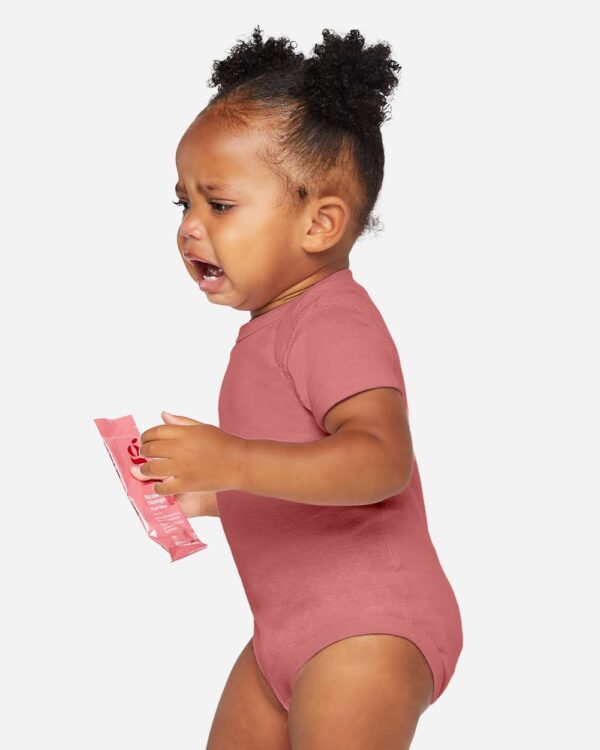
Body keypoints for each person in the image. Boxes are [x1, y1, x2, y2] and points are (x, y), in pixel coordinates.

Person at [130, 26, 463, 750]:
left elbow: (380, 460)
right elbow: (300, 470)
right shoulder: (273, 329)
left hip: (366, 626)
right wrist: (213, 494)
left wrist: (233, 459)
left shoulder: (333, 319)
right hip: (285, 632)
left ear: (320, 224)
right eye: (183, 204)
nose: (190, 229)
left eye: (219, 205)